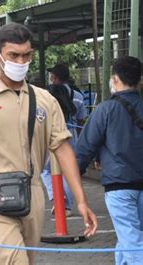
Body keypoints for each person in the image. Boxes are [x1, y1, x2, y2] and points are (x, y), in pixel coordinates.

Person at [0, 23, 97, 264]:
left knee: (27, 260)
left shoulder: (45, 100)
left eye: (26, 55)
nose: (20, 61)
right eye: (13, 55)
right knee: (15, 261)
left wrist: (81, 200)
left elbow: (63, 148)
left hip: (32, 193)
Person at [76, 56, 143, 265]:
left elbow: (85, 147)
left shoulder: (105, 110)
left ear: (114, 79)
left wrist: (74, 175)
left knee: (132, 240)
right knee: (128, 237)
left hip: (118, 185)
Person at [40, 63, 88, 216]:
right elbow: (81, 119)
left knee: (45, 169)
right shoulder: (78, 96)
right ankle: (66, 205)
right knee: (69, 169)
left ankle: (57, 198)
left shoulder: (47, 96)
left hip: (51, 135)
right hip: (71, 134)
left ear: (54, 77)